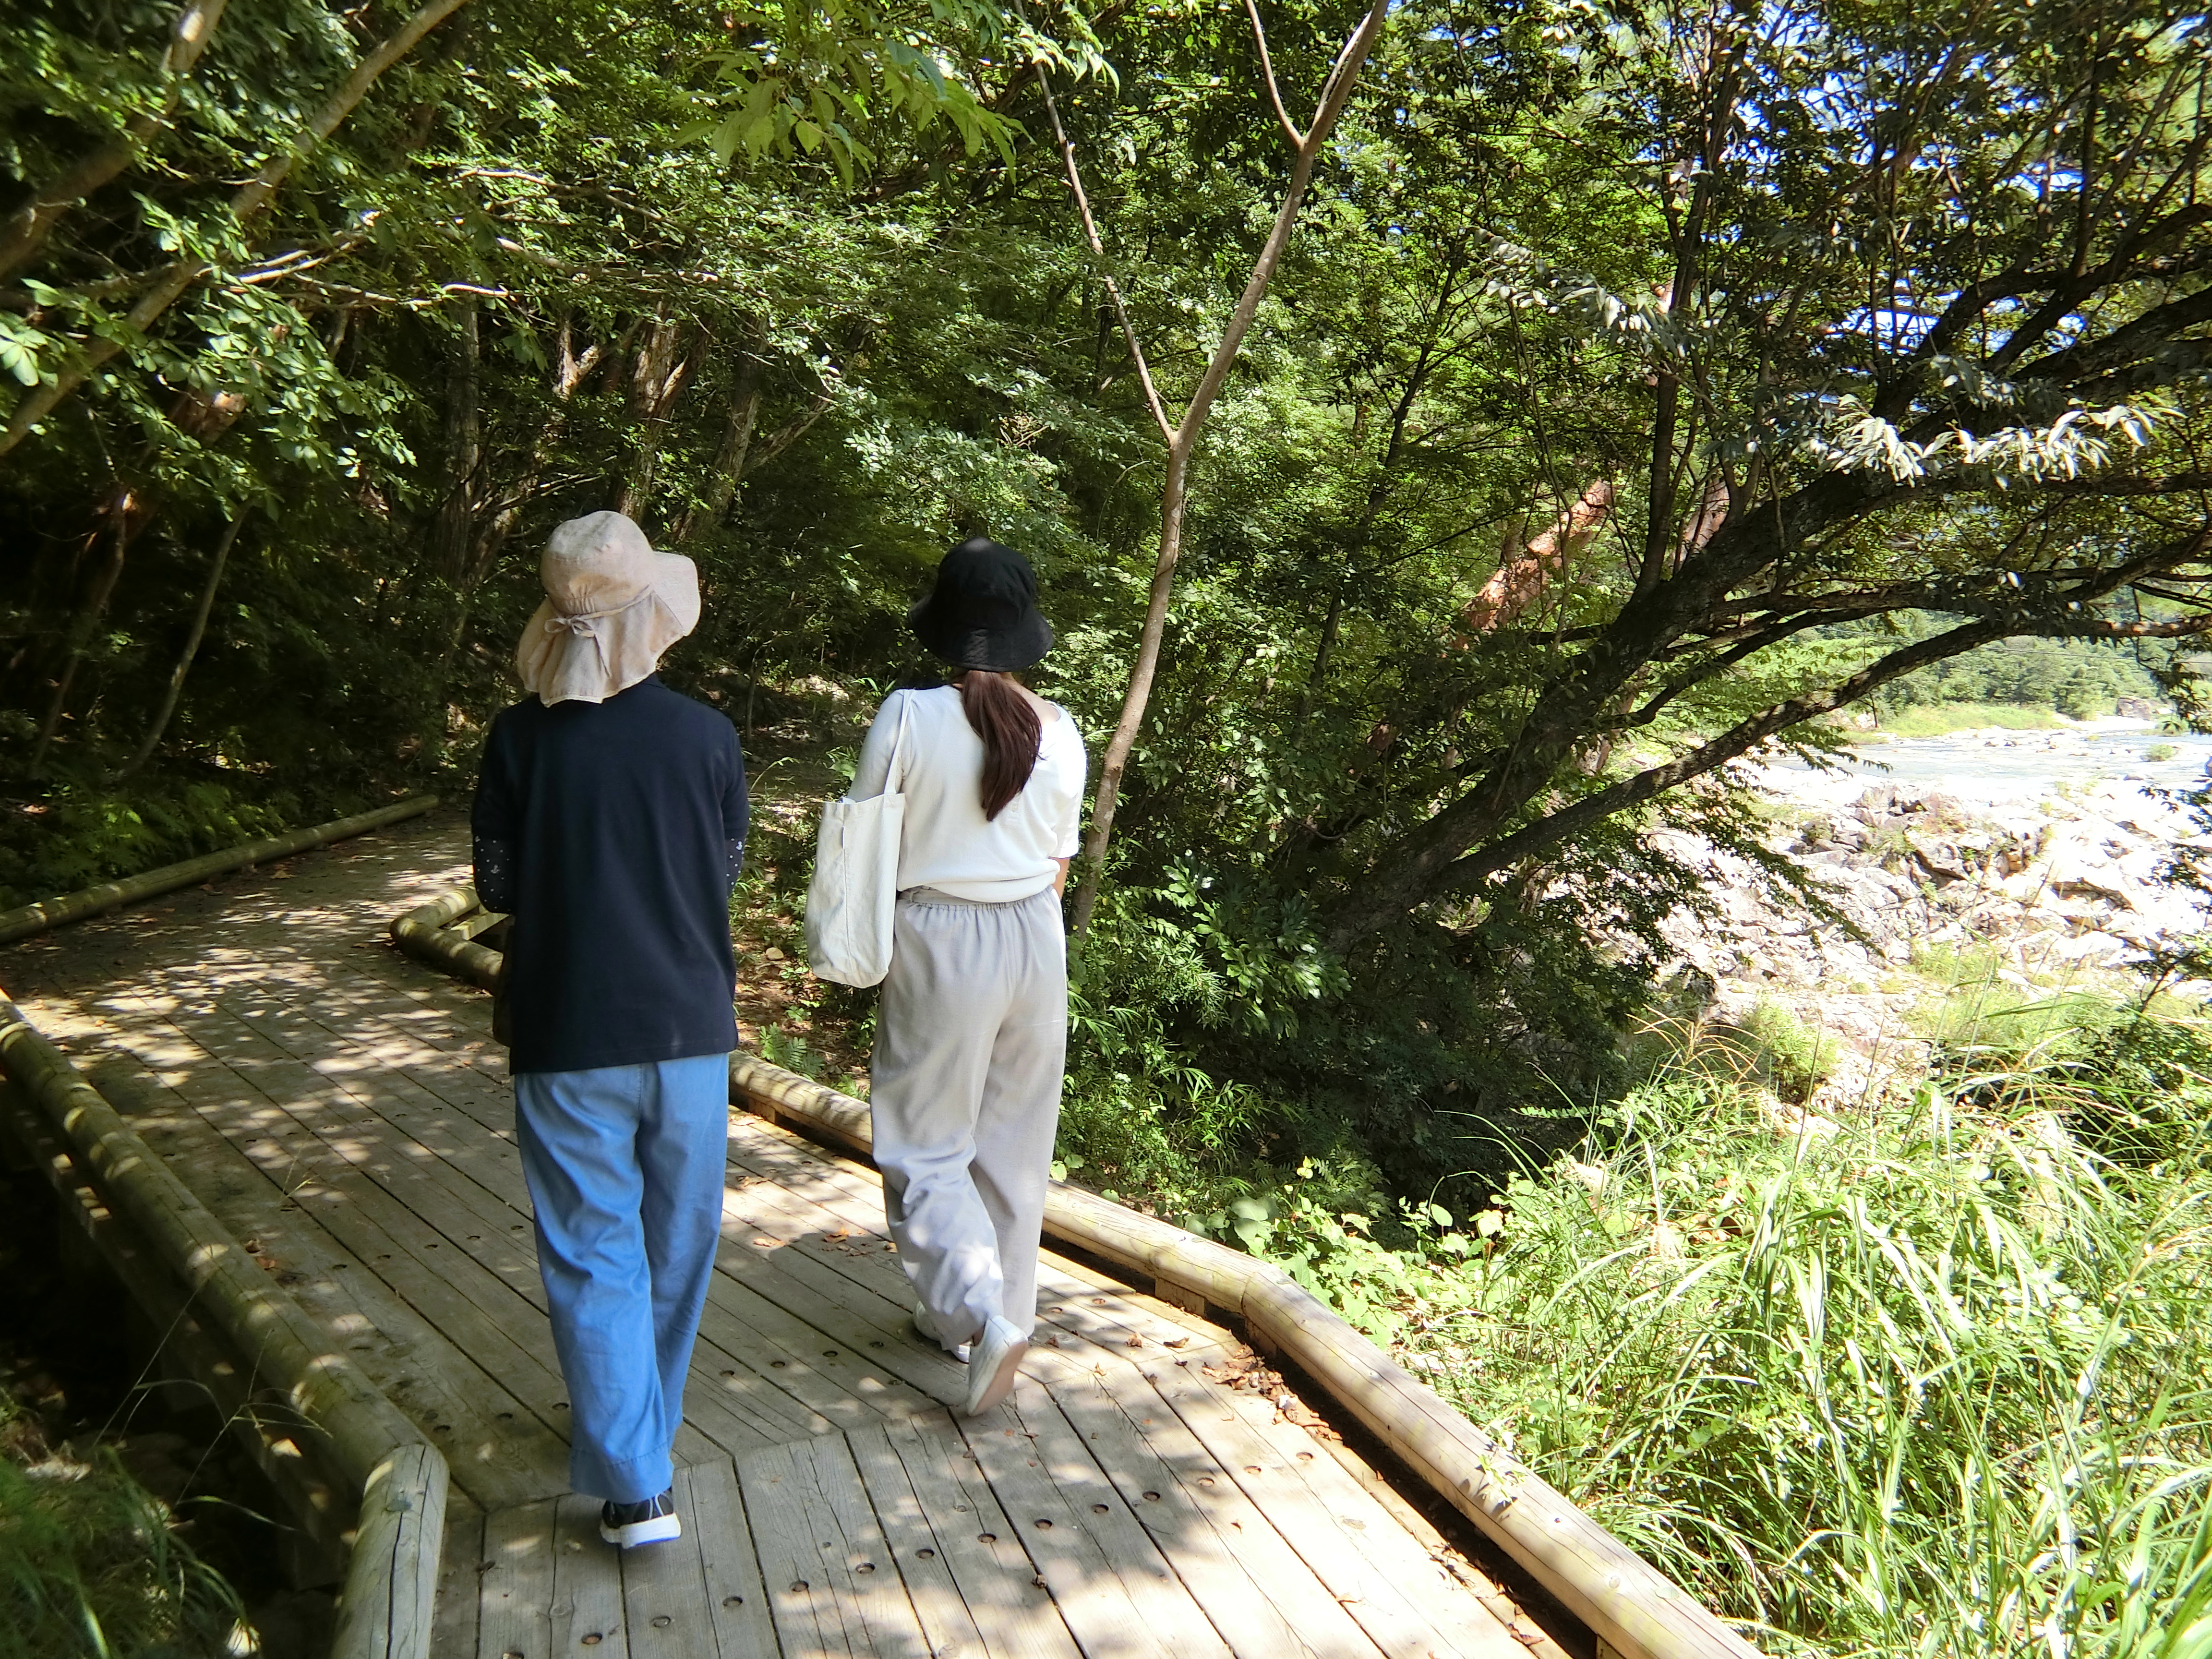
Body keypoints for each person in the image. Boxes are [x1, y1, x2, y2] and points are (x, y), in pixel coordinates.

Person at [470, 510, 746, 1549]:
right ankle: (641, 1446)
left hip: (564, 1023)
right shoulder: (709, 737)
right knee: (679, 1241)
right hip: (687, 1026)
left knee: (593, 1252)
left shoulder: (516, 739)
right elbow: (719, 876)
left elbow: (497, 882)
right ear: (654, 620)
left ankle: (636, 1468)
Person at [849, 537, 1086, 1418]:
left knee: (923, 1142)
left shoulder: (907, 716)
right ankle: (996, 1316)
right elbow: (1057, 864)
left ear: (945, 631)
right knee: (1015, 1143)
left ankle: (979, 1315)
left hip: (939, 933)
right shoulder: (1063, 732)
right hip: (1035, 935)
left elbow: (865, 844)